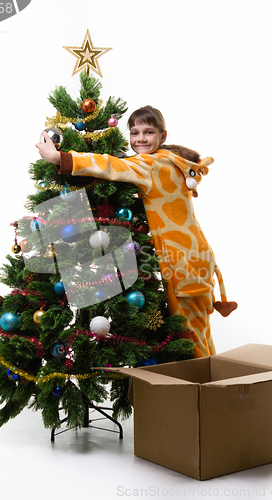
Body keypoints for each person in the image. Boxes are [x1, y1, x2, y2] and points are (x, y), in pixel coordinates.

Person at [36, 105, 237, 357]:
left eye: (148, 132)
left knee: (190, 337)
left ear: (163, 137)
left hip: (182, 262)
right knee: (200, 331)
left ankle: (205, 390)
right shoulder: (173, 161)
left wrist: (60, 159)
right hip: (196, 256)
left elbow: (111, 165)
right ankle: (212, 385)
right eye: (134, 132)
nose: (140, 139)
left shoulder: (150, 164)